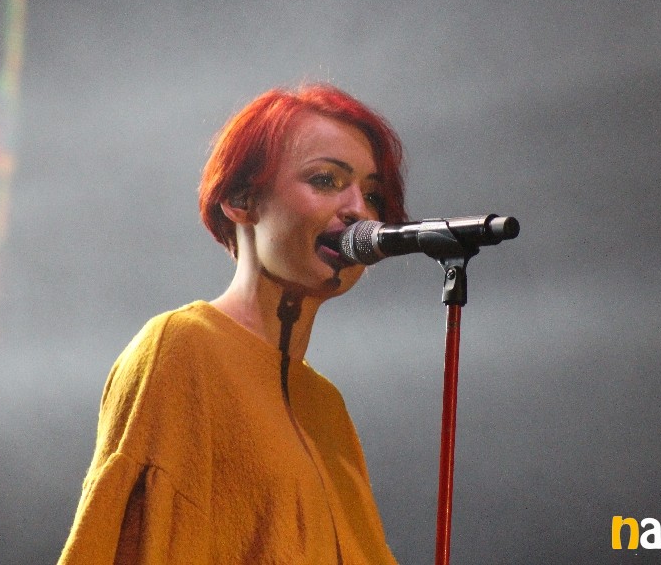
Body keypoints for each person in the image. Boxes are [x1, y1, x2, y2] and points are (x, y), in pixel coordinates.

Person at [58, 83, 406, 564]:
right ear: (241, 199)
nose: (358, 211)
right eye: (326, 180)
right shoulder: (180, 347)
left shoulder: (325, 406)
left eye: (372, 194)